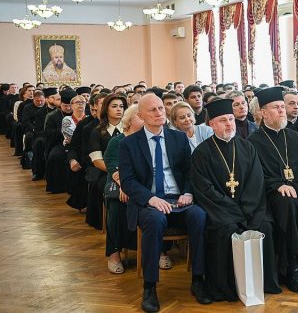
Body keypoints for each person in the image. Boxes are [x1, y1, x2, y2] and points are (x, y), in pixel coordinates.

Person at [120, 94, 209, 311]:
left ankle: (198, 279)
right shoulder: (129, 144)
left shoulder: (178, 138)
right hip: (149, 201)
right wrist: (151, 199)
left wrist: (188, 192)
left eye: (161, 108)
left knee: (199, 216)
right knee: (155, 220)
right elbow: (128, 181)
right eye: (152, 110)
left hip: (179, 199)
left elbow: (190, 172)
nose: (159, 113)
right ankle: (150, 287)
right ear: (140, 115)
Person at [191, 98, 281, 302]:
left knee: (265, 226)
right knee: (227, 229)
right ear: (212, 124)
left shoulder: (247, 147)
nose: (229, 124)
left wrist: (247, 210)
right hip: (220, 211)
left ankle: (263, 283)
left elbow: (256, 182)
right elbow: (204, 189)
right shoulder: (201, 153)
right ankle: (227, 288)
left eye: (231, 119)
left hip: (250, 208)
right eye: (223, 120)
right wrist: (234, 211)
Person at [247, 87, 298, 293]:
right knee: (287, 202)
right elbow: (256, 178)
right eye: (276, 107)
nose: (282, 111)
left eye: (283, 107)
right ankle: (292, 268)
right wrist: (277, 185)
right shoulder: (252, 142)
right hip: (271, 195)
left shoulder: (296, 137)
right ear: (263, 113)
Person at [103, 104, 141, 274]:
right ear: (129, 120)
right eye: (140, 116)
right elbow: (113, 166)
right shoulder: (117, 141)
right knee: (118, 203)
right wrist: (125, 185)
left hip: (142, 183)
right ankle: (114, 253)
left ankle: (160, 249)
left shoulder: (148, 139)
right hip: (118, 182)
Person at [86, 94, 127, 230]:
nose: (119, 109)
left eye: (121, 106)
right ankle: (111, 225)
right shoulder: (97, 132)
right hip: (105, 171)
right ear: (106, 109)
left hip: (129, 171)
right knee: (102, 185)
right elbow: (97, 160)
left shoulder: (129, 129)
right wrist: (115, 172)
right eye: (114, 106)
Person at [44, 89, 75, 193]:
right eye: (65, 106)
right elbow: (48, 133)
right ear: (60, 104)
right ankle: (58, 187)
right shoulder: (52, 116)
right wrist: (63, 131)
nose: (68, 108)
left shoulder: (80, 113)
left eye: (70, 106)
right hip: (60, 143)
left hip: (77, 144)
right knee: (55, 156)